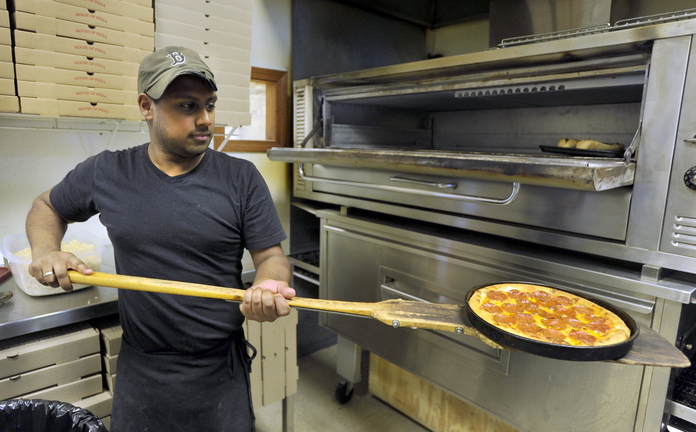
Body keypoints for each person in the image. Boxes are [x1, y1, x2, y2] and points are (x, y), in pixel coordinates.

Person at [24, 46, 294, 432]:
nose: (205, 120)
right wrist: (47, 249)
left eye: (210, 105)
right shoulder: (108, 171)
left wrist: (271, 282)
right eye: (187, 106)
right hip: (142, 368)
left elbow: (271, 256)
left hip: (218, 368)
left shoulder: (241, 178)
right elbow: (46, 206)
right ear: (146, 106)